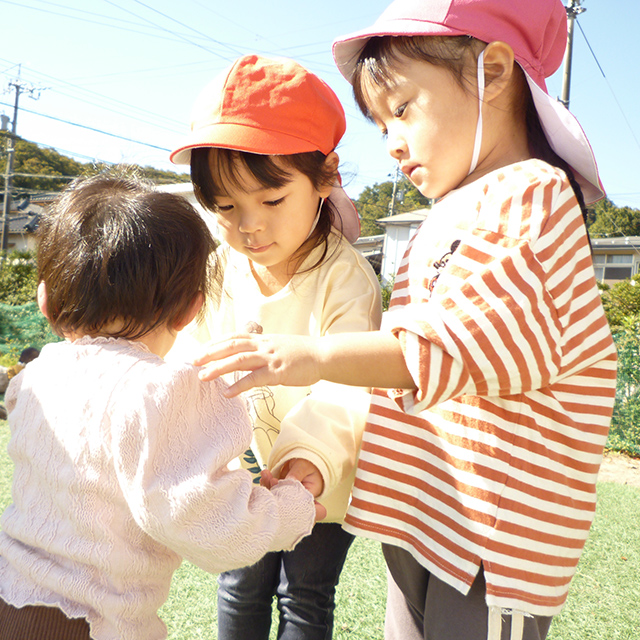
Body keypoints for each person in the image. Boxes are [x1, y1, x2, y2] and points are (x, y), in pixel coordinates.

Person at [191, 2, 618, 640]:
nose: (390, 140)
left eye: (401, 109)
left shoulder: (533, 194)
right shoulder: (449, 210)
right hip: (422, 512)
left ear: (493, 71)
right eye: (379, 121)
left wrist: (309, 356)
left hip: (491, 542)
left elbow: (465, 344)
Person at [0, 172, 321, 640]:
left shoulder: (33, 379)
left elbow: (113, 395)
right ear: (191, 310)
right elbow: (216, 528)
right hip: (88, 623)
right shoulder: (158, 395)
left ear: (44, 301)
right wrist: (292, 504)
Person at [168, 54, 382, 640]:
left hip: (318, 480)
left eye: (270, 200)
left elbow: (351, 381)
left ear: (326, 176)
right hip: (239, 469)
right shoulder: (218, 269)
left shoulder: (344, 278)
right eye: (226, 207)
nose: (249, 227)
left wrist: (308, 461)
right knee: (238, 585)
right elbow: (190, 355)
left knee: (304, 595)